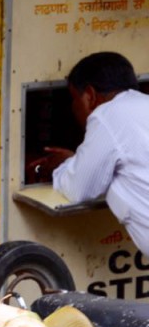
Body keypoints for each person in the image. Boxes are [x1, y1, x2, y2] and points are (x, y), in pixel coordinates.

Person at [30, 52, 149, 254]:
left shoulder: (107, 115)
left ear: (90, 95)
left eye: (74, 99)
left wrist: (60, 166)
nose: (73, 107)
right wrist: (75, 161)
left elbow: (79, 188)